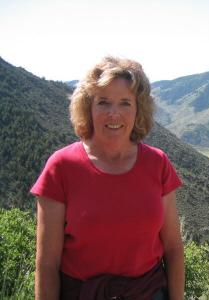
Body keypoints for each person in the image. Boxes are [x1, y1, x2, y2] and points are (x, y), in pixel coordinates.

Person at [31, 57, 184, 300]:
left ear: (138, 110)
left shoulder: (158, 164)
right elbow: (47, 265)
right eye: (103, 102)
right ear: (88, 108)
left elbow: (174, 249)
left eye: (125, 103)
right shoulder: (61, 167)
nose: (114, 114)